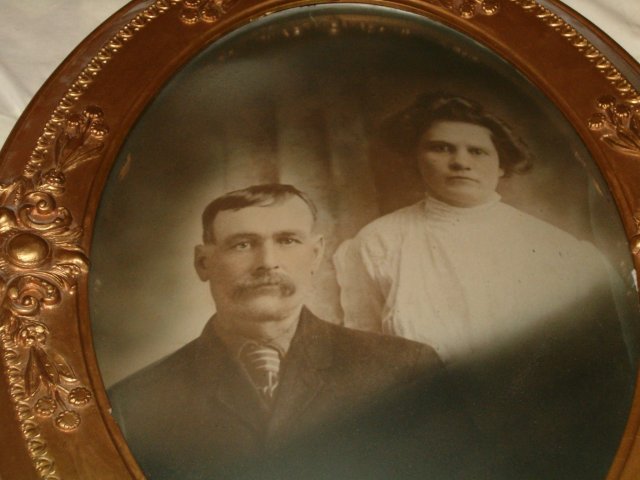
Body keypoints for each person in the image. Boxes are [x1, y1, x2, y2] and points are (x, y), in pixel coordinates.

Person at [333, 93, 633, 478]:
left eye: (477, 151)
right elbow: (364, 358)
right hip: (422, 439)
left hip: (536, 435)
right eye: (441, 148)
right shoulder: (376, 243)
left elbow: (594, 368)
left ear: (501, 164)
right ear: (416, 157)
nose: (460, 162)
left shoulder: (561, 251)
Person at [108, 184, 482, 480]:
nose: (267, 262)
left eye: (287, 241)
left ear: (316, 255)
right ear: (204, 262)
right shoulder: (133, 403)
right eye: (243, 244)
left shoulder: (404, 369)